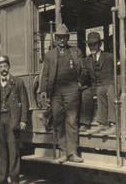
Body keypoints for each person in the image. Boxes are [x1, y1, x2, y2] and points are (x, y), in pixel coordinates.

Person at [39, 24, 84, 163]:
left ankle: (73, 153)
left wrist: (79, 84)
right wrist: (43, 91)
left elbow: (84, 70)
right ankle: (64, 151)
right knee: (58, 121)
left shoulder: (76, 52)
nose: (62, 40)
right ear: (55, 38)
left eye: (64, 37)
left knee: (71, 121)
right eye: (59, 37)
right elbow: (45, 74)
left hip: (72, 90)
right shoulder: (50, 55)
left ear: (68, 38)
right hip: (56, 92)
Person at [0, 55, 28, 184]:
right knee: (0, 151)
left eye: (5, 66)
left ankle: (14, 178)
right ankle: (1, 178)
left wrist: (23, 120)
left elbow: (25, 103)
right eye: (1, 66)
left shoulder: (17, 82)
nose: (3, 69)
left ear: (9, 67)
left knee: (13, 150)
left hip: (12, 119)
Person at [80, 32, 117, 135]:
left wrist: (112, 84)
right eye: (90, 45)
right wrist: (79, 83)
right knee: (86, 93)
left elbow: (117, 72)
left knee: (104, 91)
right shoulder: (86, 60)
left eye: (94, 44)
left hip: (107, 86)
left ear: (99, 44)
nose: (92, 47)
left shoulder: (109, 57)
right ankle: (85, 123)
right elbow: (84, 74)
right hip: (95, 86)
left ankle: (105, 123)